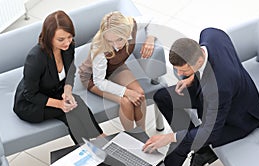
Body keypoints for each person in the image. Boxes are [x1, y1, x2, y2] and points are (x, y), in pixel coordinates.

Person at [142, 27, 259, 166]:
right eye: (177, 70)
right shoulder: (210, 34)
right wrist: (191, 78)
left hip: (238, 118)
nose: (179, 74)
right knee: (162, 97)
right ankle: (199, 148)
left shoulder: (220, 87)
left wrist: (170, 137)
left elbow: (211, 131)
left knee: (182, 143)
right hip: (210, 93)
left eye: (183, 71)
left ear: (199, 60)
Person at [13, 10, 103, 144]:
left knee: (74, 103)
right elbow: (30, 95)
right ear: (49, 37)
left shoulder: (68, 47)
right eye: (61, 39)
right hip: (31, 103)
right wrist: (60, 104)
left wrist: (67, 92)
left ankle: (93, 143)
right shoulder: (35, 58)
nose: (67, 42)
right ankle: (94, 143)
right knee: (70, 111)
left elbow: (70, 71)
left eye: (70, 37)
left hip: (54, 91)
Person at [78, 11, 156, 131]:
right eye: (110, 41)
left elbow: (152, 18)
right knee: (126, 102)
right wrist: (126, 92)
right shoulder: (99, 46)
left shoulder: (132, 24)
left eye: (119, 39)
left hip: (116, 67)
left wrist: (150, 38)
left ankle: (142, 133)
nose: (115, 45)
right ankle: (131, 136)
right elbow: (100, 82)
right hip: (93, 79)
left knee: (139, 94)